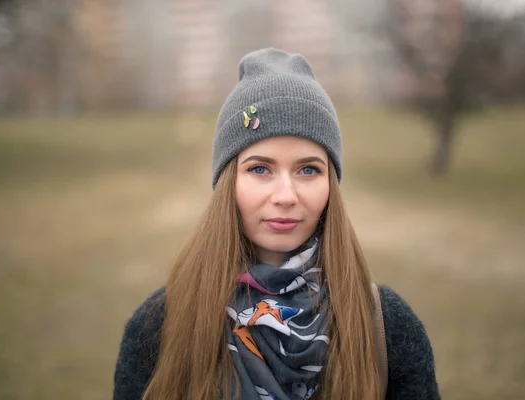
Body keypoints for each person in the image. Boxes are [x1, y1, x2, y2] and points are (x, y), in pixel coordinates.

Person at [113, 48, 439, 400]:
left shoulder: (386, 327)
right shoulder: (160, 325)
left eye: (308, 169)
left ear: (331, 184)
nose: (286, 195)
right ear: (228, 183)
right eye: (260, 169)